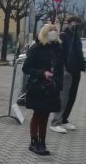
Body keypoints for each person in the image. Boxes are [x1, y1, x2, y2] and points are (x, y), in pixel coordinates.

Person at [22, 24, 63, 155]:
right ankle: (33, 142)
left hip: (51, 87)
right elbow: (26, 68)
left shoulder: (57, 49)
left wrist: (58, 84)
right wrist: (42, 73)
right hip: (38, 87)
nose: (53, 32)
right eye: (50, 30)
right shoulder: (36, 48)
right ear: (45, 33)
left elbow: (59, 69)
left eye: (55, 30)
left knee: (45, 115)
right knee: (38, 114)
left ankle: (42, 142)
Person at [50, 16, 85, 133]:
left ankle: (64, 119)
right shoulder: (64, 36)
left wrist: (83, 67)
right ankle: (55, 122)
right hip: (66, 71)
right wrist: (63, 68)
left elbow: (79, 55)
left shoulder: (77, 37)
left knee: (72, 97)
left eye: (78, 23)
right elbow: (57, 53)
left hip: (76, 71)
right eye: (75, 23)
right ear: (69, 23)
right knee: (63, 97)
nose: (77, 25)